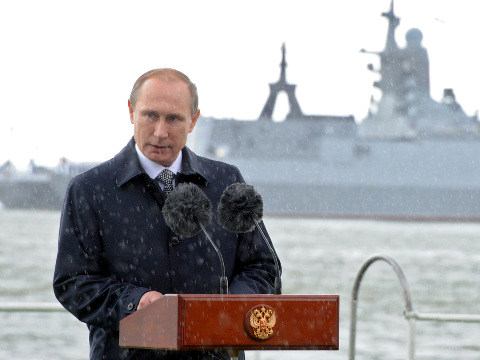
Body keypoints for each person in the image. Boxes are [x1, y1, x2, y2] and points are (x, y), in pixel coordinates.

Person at [53, 68, 280, 360]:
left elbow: (264, 267)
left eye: (173, 118)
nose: (161, 132)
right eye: (150, 115)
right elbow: (73, 283)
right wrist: (135, 302)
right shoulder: (88, 189)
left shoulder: (227, 182)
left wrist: (236, 304)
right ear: (131, 111)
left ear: (194, 120)